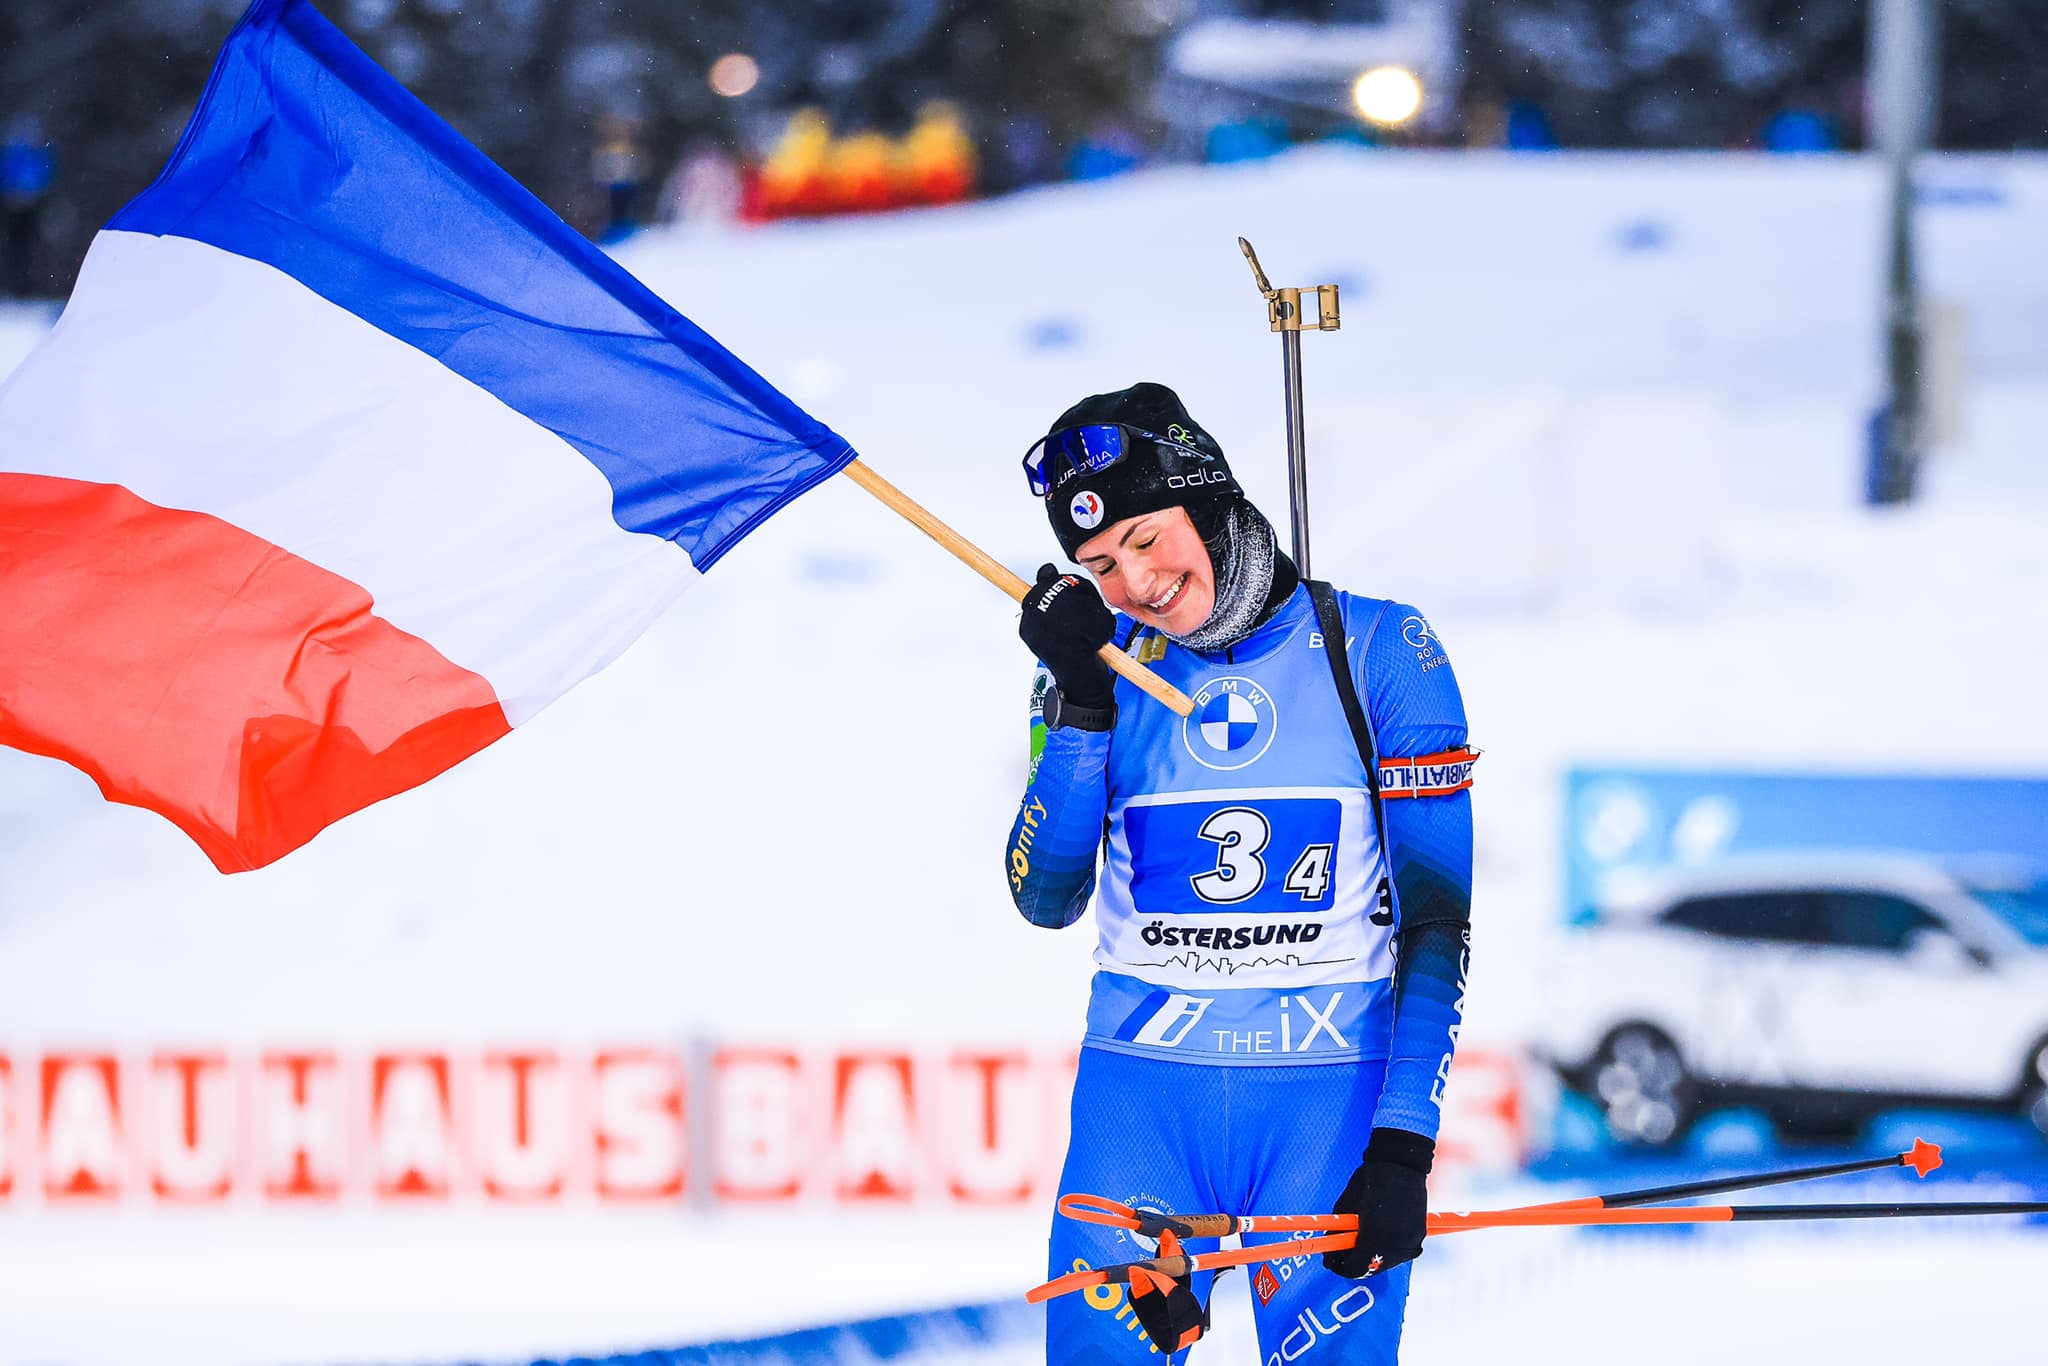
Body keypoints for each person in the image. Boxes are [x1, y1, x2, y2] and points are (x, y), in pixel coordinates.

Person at [1005, 383, 1475, 1362]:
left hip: (1325, 1114)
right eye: (1099, 564)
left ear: (1206, 499)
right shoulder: (1090, 664)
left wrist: (1401, 1145)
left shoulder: (1381, 648)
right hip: (1140, 1111)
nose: (1133, 583)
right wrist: (1083, 710)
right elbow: (1043, 895)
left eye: (1144, 537)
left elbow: (1436, 922)